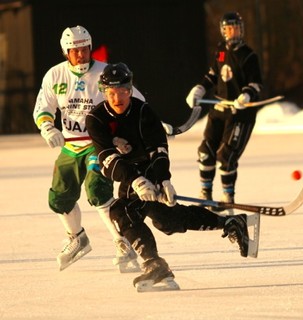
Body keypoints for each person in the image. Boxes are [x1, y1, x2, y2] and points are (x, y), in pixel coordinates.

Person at [86, 62, 256, 291]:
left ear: (130, 88)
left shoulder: (143, 111)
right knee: (167, 220)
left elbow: (158, 149)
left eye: (123, 91)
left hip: (149, 170)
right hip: (127, 174)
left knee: (123, 211)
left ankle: (155, 266)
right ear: (104, 92)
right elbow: (107, 159)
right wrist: (136, 180)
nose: (118, 98)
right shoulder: (96, 119)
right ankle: (230, 222)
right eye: (112, 93)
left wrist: (163, 180)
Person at [33, 25, 144, 272]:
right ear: (66, 52)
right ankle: (77, 238)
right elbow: (43, 107)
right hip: (71, 146)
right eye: (75, 51)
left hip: (100, 144)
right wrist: (48, 128)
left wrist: (144, 126)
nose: (81, 55)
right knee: (59, 198)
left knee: (97, 190)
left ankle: (122, 242)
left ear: (90, 47)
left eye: (84, 49)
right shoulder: (55, 75)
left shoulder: (106, 73)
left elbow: (135, 101)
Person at [185, 12, 263, 208]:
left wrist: (245, 95)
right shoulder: (220, 51)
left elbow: (256, 84)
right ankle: (206, 194)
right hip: (219, 110)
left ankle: (228, 198)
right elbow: (213, 74)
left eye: (236, 27)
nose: (233, 31)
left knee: (226, 156)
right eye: (229, 28)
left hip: (240, 115)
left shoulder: (249, 55)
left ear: (241, 29)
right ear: (223, 31)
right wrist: (200, 88)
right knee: (205, 151)